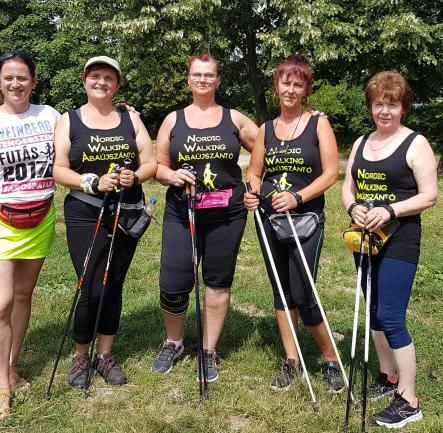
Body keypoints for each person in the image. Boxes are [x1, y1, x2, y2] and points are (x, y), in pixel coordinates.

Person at [0, 51, 60, 421]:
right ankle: (1, 389)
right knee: (0, 302)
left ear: (33, 81)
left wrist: (122, 114)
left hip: (40, 218)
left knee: (22, 295)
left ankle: (12, 366)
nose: (16, 84)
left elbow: (82, 134)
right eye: (9, 78)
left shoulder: (50, 116)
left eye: (22, 78)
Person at [152, 53, 258, 381]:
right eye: (197, 74)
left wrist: (307, 119)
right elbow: (158, 166)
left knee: (217, 280)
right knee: (173, 282)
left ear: (218, 80)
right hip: (182, 212)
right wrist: (171, 176)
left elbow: (270, 147)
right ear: (189, 80)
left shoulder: (234, 119)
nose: (202, 80)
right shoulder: (173, 120)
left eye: (209, 75)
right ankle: (174, 342)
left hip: (227, 214)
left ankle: (208, 350)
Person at [53, 56, 157, 388]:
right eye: (95, 76)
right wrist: (92, 182)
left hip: (125, 211)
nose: (101, 82)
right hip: (85, 211)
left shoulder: (130, 118)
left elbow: (150, 162)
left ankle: (105, 354)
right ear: (85, 80)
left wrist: (134, 176)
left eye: (109, 77)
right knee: (91, 285)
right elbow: (58, 170)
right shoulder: (69, 120)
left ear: (117, 84)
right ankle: (80, 355)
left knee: (113, 284)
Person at [341, 71, 437, 428]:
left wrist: (390, 210)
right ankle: (388, 376)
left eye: (392, 104)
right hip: (366, 237)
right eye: (379, 104)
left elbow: (429, 195)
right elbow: (347, 187)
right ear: (370, 106)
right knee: (374, 313)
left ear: (403, 107)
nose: (385, 111)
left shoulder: (415, 143)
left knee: (392, 316)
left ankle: (409, 400)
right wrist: (353, 207)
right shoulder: (361, 142)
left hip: (400, 238)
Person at [244, 54, 344, 392]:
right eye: (285, 83)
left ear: (306, 90)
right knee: (281, 289)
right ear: (276, 86)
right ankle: (292, 359)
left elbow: (331, 173)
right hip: (269, 218)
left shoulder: (318, 124)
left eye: (297, 84)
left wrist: (298, 197)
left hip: (306, 218)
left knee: (303, 291)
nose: (290, 89)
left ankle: (330, 358)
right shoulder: (266, 129)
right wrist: (251, 192)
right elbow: (254, 171)